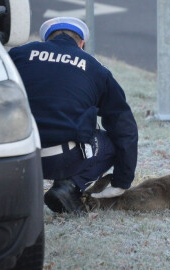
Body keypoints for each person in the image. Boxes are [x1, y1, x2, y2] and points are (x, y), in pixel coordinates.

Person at [9, 17, 138, 213]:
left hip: (14, 156)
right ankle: (68, 187)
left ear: (47, 40)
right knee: (111, 142)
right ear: (81, 43)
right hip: (61, 159)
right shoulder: (96, 69)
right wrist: (122, 181)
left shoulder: (18, 55)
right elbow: (124, 126)